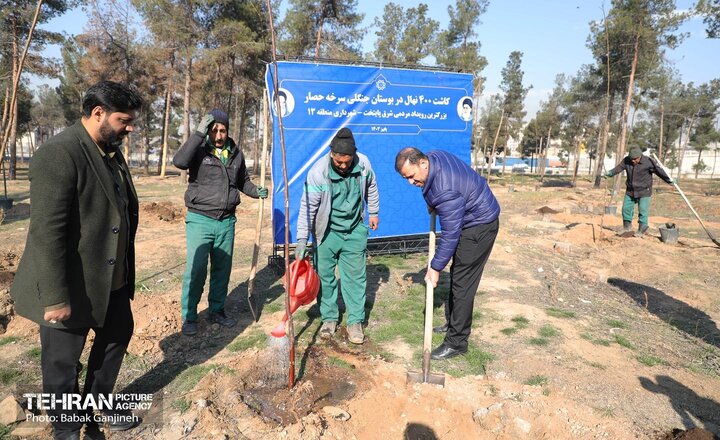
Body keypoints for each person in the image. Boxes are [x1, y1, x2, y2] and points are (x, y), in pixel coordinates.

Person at [11, 80, 144, 439]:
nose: (129, 128)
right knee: (62, 362)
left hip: (109, 280)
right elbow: (47, 232)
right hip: (69, 284)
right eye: (124, 120)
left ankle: (95, 407)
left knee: (118, 333)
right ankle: (66, 429)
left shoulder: (109, 150)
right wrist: (54, 297)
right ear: (97, 113)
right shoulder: (61, 153)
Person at [395, 147, 500, 360]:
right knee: (458, 274)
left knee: (463, 282)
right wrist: (432, 203)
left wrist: (434, 267)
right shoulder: (435, 156)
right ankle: (454, 324)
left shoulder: (445, 190)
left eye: (412, 176)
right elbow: (432, 189)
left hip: (479, 225)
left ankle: (457, 341)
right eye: (406, 178)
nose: (410, 182)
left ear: (423, 164)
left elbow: (451, 234)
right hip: (472, 214)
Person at [173, 109, 268, 336]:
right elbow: (179, 162)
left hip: (226, 221)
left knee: (221, 271)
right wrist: (197, 134)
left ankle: (217, 311)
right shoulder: (199, 149)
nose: (218, 135)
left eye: (222, 130)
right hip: (200, 219)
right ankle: (189, 317)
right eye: (214, 130)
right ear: (208, 130)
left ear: (228, 130)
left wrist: (256, 191)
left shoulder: (235, 153)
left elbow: (242, 181)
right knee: (196, 271)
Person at [295, 127, 379, 344]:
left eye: (347, 162)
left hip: (354, 230)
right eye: (339, 162)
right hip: (327, 233)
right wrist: (302, 240)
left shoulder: (363, 165)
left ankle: (355, 322)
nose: (343, 166)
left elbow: (372, 187)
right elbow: (307, 208)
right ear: (332, 154)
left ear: (353, 156)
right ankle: (329, 319)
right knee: (325, 278)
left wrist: (374, 211)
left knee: (355, 279)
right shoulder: (318, 173)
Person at [604, 146, 674, 235]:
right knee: (626, 208)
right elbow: (618, 168)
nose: (633, 161)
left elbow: (659, 171)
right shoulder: (626, 160)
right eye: (631, 159)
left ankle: (641, 230)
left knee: (643, 210)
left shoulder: (648, 162)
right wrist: (610, 173)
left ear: (640, 156)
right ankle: (627, 228)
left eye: (635, 159)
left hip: (644, 190)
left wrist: (669, 179)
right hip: (630, 190)